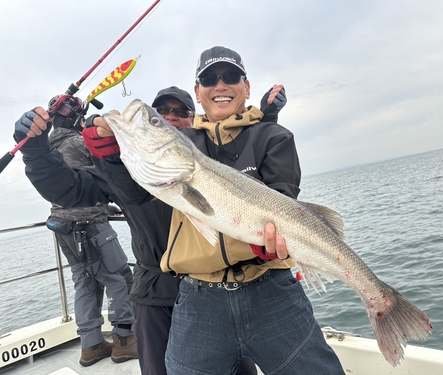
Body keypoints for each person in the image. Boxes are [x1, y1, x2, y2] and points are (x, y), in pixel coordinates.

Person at [90, 46, 346, 375]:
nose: (220, 85)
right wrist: (109, 151)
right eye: (209, 78)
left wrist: (264, 243)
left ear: (247, 87)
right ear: (198, 92)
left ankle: (380, 301)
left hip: (271, 290)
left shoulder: (274, 136)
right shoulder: (185, 141)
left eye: (231, 76)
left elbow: (282, 196)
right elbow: (134, 194)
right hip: (198, 299)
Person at [13, 84, 286, 375]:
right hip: (155, 294)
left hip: (216, 289)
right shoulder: (126, 168)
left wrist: (268, 117)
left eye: (181, 112)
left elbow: (249, 167)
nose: (171, 117)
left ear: (193, 120)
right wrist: (35, 150)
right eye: (162, 112)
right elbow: (68, 189)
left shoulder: (210, 160)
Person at [31, 98, 138, 367]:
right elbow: (108, 171)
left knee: (85, 282)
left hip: (62, 226)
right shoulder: (79, 142)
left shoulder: (52, 144)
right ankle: (125, 340)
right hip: (89, 225)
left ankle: (90, 345)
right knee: (120, 277)